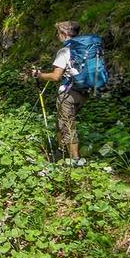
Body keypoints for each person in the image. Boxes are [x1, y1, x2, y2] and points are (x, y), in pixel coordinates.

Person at [32, 21, 89, 163]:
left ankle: (75, 161)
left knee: (67, 125)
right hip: (83, 92)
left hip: (68, 94)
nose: (57, 36)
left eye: (58, 33)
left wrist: (39, 75)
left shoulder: (65, 51)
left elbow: (56, 76)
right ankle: (61, 152)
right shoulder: (85, 48)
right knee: (61, 123)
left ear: (64, 34)